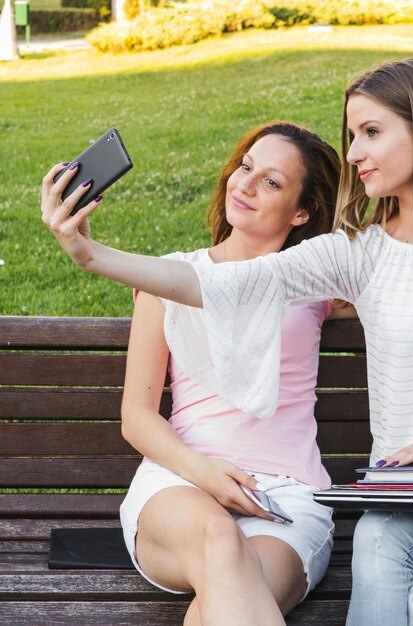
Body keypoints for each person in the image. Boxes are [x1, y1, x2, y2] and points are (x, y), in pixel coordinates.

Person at [41, 60, 413, 626]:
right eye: (352, 134)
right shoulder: (358, 254)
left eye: (372, 132)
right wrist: (91, 256)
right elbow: (225, 284)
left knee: (384, 540)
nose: (355, 153)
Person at [44, 121, 351, 626]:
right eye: (246, 167)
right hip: (179, 484)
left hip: (286, 497)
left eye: (272, 182)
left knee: (214, 609)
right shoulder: (169, 274)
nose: (246, 184)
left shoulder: (316, 283)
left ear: (302, 211)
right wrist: (203, 472)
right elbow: (137, 418)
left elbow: (409, 276)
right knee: (218, 538)